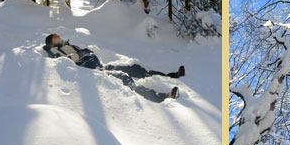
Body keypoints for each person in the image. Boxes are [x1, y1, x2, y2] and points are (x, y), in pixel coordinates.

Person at [43, 33, 185, 103]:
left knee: (133, 67)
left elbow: (85, 52)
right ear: (51, 41)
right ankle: (163, 97)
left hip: (100, 66)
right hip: (93, 73)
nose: (59, 36)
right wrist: (80, 55)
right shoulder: (55, 51)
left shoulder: (70, 46)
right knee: (125, 78)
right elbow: (68, 63)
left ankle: (169, 76)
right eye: (56, 36)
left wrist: (82, 54)